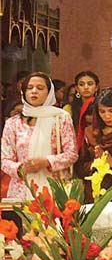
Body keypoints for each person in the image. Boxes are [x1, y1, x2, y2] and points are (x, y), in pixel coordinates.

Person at [1, 73, 78, 201]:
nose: (34, 91)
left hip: (54, 190)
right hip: (21, 191)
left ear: (49, 92)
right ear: (24, 92)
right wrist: (21, 168)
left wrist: (46, 161)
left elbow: (71, 154)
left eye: (40, 88)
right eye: (30, 88)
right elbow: (5, 160)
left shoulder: (60, 118)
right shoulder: (13, 123)